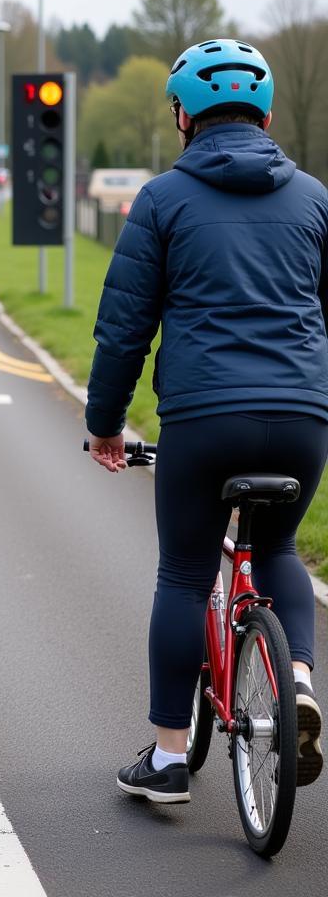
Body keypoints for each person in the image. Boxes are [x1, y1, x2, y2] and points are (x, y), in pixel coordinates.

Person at [86, 39, 328, 803]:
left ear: (182, 114)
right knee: (280, 544)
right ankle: (294, 679)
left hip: (202, 415)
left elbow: (124, 328)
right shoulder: (316, 198)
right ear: (267, 113)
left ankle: (165, 761)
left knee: (186, 574)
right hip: (299, 414)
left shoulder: (162, 199)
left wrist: (105, 424)